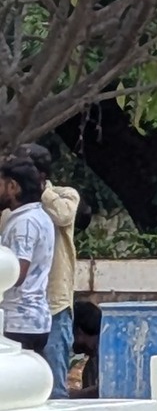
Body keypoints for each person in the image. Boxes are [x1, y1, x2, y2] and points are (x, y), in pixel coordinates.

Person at [16, 143, 79, 396]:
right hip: (18, 309)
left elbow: (63, 215)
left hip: (54, 305)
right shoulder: (12, 203)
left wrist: (38, 189)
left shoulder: (65, 196)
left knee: (54, 387)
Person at [1, 157, 56, 383]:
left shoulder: (25, 222)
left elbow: (16, 273)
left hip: (18, 320)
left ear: (13, 187)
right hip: (34, 319)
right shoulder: (38, 216)